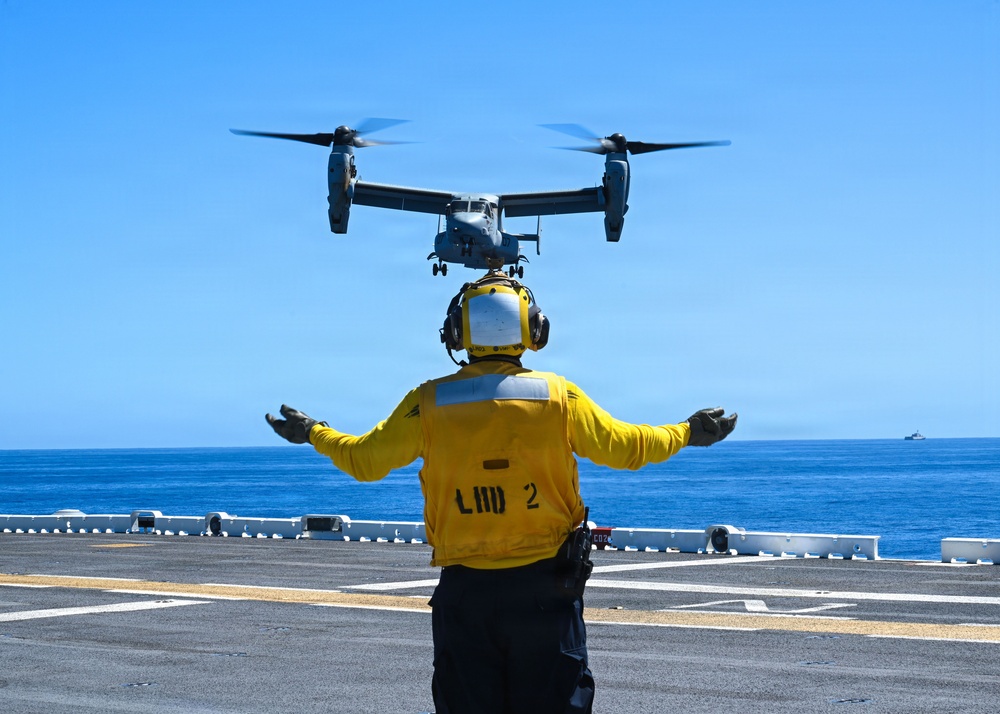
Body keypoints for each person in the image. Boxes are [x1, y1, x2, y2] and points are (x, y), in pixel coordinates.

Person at [266, 270, 737, 714]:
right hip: (547, 592)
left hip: (466, 595)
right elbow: (626, 446)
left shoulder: (428, 402)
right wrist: (686, 431)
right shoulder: (557, 396)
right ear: (534, 330)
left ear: (457, 334)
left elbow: (365, 460)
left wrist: (314, 432)